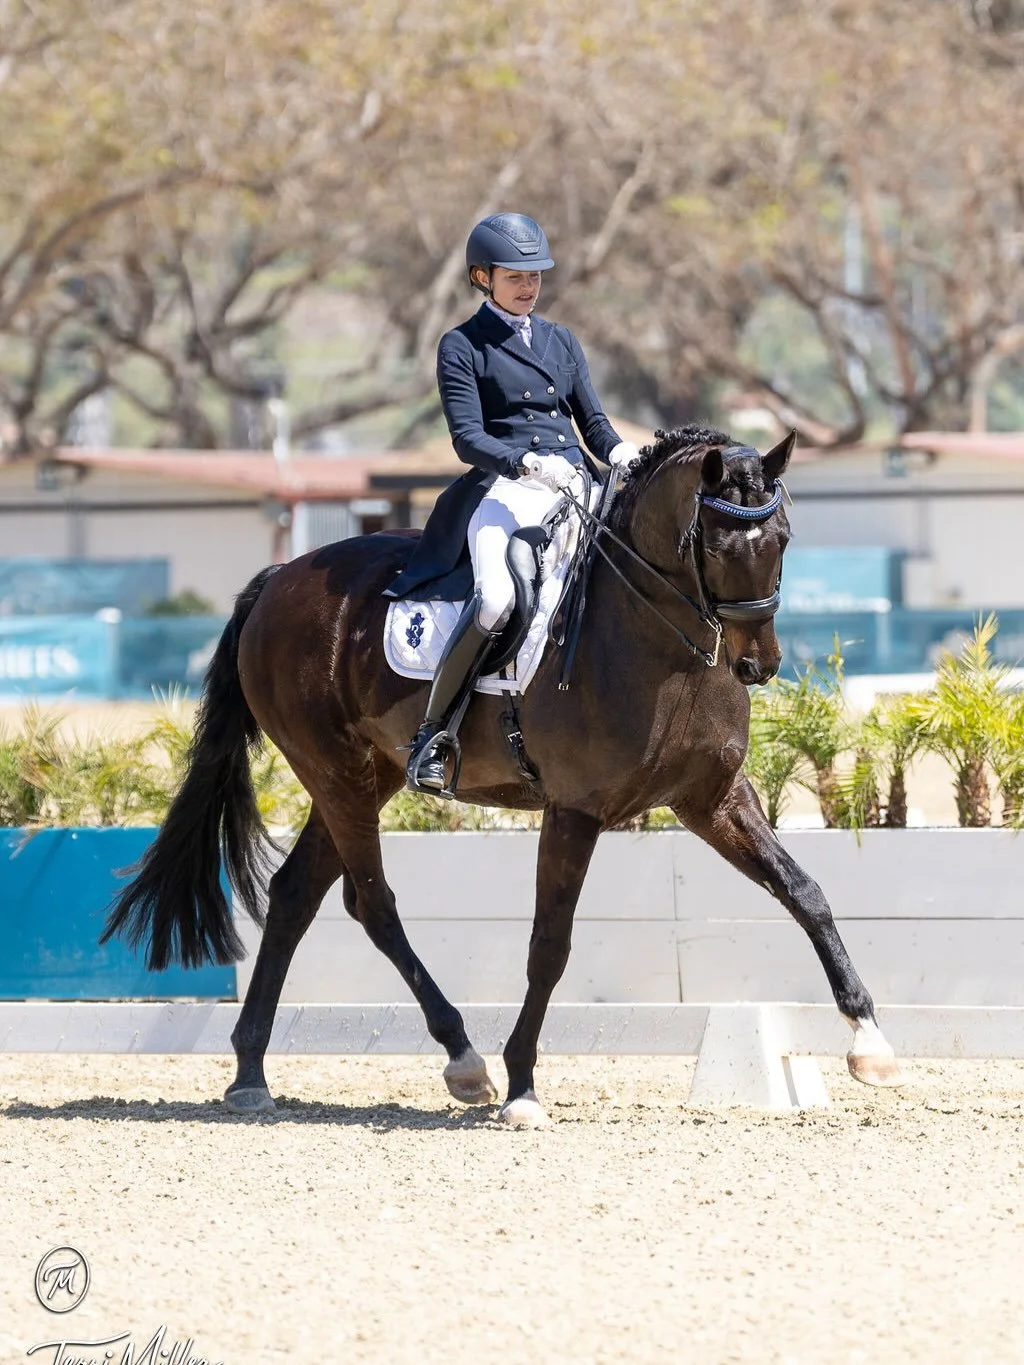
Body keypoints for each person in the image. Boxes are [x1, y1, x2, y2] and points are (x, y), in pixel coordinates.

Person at [386, 211, 640, 793]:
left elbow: (592, 421)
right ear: (482, 277)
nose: (528, 286)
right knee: (498, 599)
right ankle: (434, 734)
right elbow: (467, 438)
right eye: (514, 276)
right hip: (506, 488)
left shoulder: (560, 340)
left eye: (535, 276)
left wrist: (622, 453)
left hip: (577, 485)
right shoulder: (463, 345)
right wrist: (525, 462)